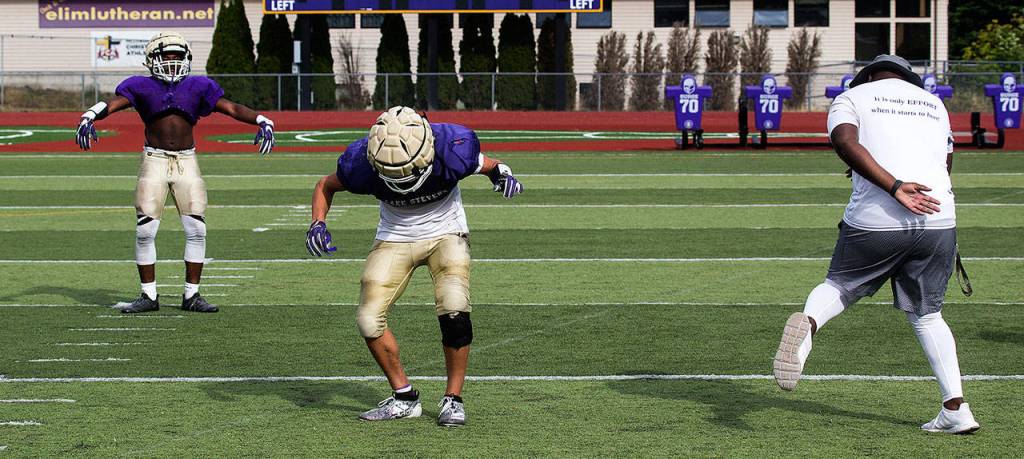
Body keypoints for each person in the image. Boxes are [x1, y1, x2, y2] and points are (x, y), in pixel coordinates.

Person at [771, 55, 980, 434]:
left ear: (867, 76)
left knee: (839, 285)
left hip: (877, 218)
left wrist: (895, 186)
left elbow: (844, 142)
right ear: (908, 78)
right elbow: (945, 162)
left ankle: (810, 324)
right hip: (937, 215)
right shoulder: (934, 103)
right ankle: (956, 409)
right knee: (927, 315)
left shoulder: (853, 98)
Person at [305, 106, 523, 427]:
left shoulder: (452, 148)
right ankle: (404, 397)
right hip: (395, 236)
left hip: (446, 231)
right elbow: (325, 185)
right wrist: (317, 223)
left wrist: (503, 174)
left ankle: (453, 398)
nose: (403, 178)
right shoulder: (361, 163)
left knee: (454, 308)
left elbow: (490, 166)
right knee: (368, 318)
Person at [75, 32, 275, 314]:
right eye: (167, 56)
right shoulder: (140, 85)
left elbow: (230, 107)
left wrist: (260, 119)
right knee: (146, 230)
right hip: (153, 160)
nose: (173, 62)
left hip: (187, 161)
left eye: (178, 56)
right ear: (152, 60)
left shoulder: (198, 85)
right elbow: (115, 102)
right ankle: (148, 295)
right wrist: (91, 114)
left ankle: (191, 295)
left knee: (196, 228)